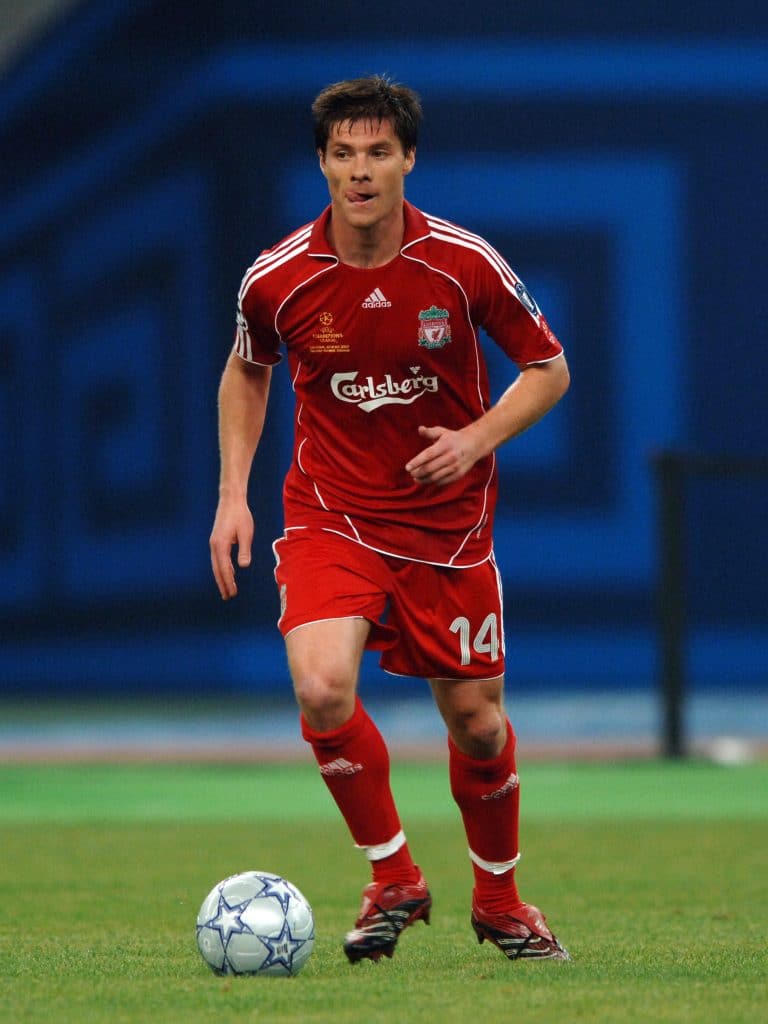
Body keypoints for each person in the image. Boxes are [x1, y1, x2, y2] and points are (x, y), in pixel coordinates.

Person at [209, 75, 571, 964]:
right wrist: (231, 495)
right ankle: (394, 877)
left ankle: (502, 904)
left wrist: (476, 439)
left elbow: (550, 369)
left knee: (479, 724)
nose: (360, 171)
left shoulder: (463, 262)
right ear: (323, 164)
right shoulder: (279, 276)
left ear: (409, 158)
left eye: (378, 153)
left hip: (447, 527)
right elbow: (247, 369)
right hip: (330, 511)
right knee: (323, 688)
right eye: (343, 155)